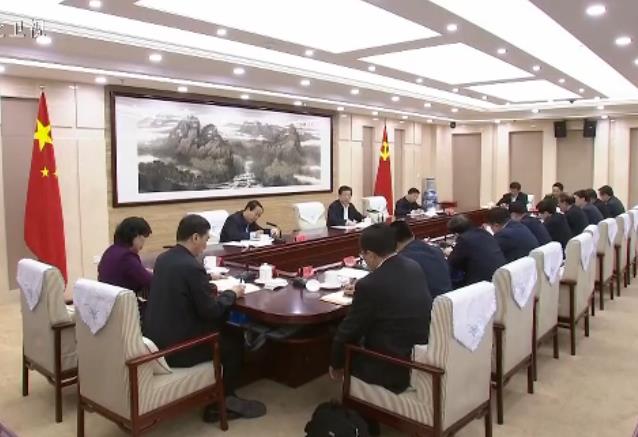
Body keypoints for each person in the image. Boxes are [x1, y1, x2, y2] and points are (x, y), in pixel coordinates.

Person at [143, 215, 265, 422]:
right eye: (206, 239)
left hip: (158, 340)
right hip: (179, 349)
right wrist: (232, 293)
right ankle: (221, 404)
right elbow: (211, 311)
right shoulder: (192, 266)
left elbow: (183, 285)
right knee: (234, 340)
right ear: (195, 237)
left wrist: (208, 280)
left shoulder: (164, 259)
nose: (206, 245)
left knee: (226, 329)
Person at [329, 224, 432, 395]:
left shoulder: (369, 285)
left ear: (370, 254)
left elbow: (348, 332)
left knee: (340, 334)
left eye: (362, 254)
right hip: (418, 352)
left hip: (392, 366)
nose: (363, 258)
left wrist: (336, 364)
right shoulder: (413, 266)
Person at [390, 220, 452, 298]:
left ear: (393, 242)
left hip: (431, 302)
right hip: (450, 298)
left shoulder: (402, 261)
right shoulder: (436, 250)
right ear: (412, 234)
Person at [446, 214, 506, 287]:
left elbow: (452, 262)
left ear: (456, 234)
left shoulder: (464, 239)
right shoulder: (485, 233)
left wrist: (448, 252)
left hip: (482, 283)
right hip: (500, 276)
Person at [98, 217, 153, 295]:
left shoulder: (110, 250)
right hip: (123, 300)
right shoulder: (126, 257)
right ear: (136, 236)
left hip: (108, 298)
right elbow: (150, 281)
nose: (143, 245)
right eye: (143, 239)